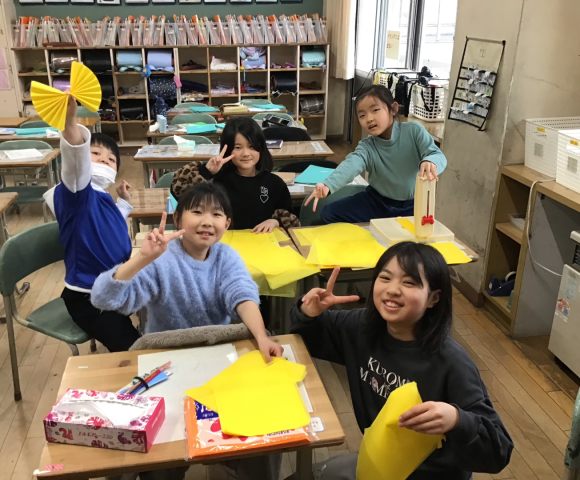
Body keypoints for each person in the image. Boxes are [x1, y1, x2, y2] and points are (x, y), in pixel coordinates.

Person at [289, 242, 513, 480]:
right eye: (385, 278)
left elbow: (499, 450)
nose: (393, 290)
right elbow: (310, 337)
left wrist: (457, 420)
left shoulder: (452, 362)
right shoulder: (364, 328)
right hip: (379, 463)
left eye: (409, 283)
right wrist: (309, 313)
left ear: (433, 299)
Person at [91, 182, 283, 363]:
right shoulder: (161, 257)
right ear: (177, 218)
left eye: (216, 214)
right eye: (197, 212)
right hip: (165, 352)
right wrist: (142, 258)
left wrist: (262, 337)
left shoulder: (226, 257)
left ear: (226, 224)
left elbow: (243, 296)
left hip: (214, 349)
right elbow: (103, 299)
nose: (207, 222)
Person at [54, 95, 139, 353]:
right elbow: (75, 166)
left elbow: (107, 226)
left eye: (112, 159)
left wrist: (123, 202)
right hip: (87, 296)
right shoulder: (76, 193)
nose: (104, 159)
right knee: (133, 348)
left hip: (114, 285)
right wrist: (71, 124)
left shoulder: (101, 197)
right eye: (96, 153)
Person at [305, 85, 447, 224]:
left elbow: (437, 154)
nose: (369, 118)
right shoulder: (366, 146)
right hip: (376, 202)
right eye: (362, 115)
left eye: (375, 110)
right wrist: (328, 184)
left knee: (414, 234)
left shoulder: (414, 131)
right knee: (329, 213)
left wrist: (431, 161)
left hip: (412, 205)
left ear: (393, 109)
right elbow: (351, 165)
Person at [171, 116, 299, 233]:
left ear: (261, 147)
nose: (246, 153)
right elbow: (181, 194)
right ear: (227, 149)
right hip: (221, 242)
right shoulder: (217, 180)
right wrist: (207, 172)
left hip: (263, 243)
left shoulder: (274, 183)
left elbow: (291, 217)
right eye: (238, 147)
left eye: (252, 146)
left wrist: (275, 221)